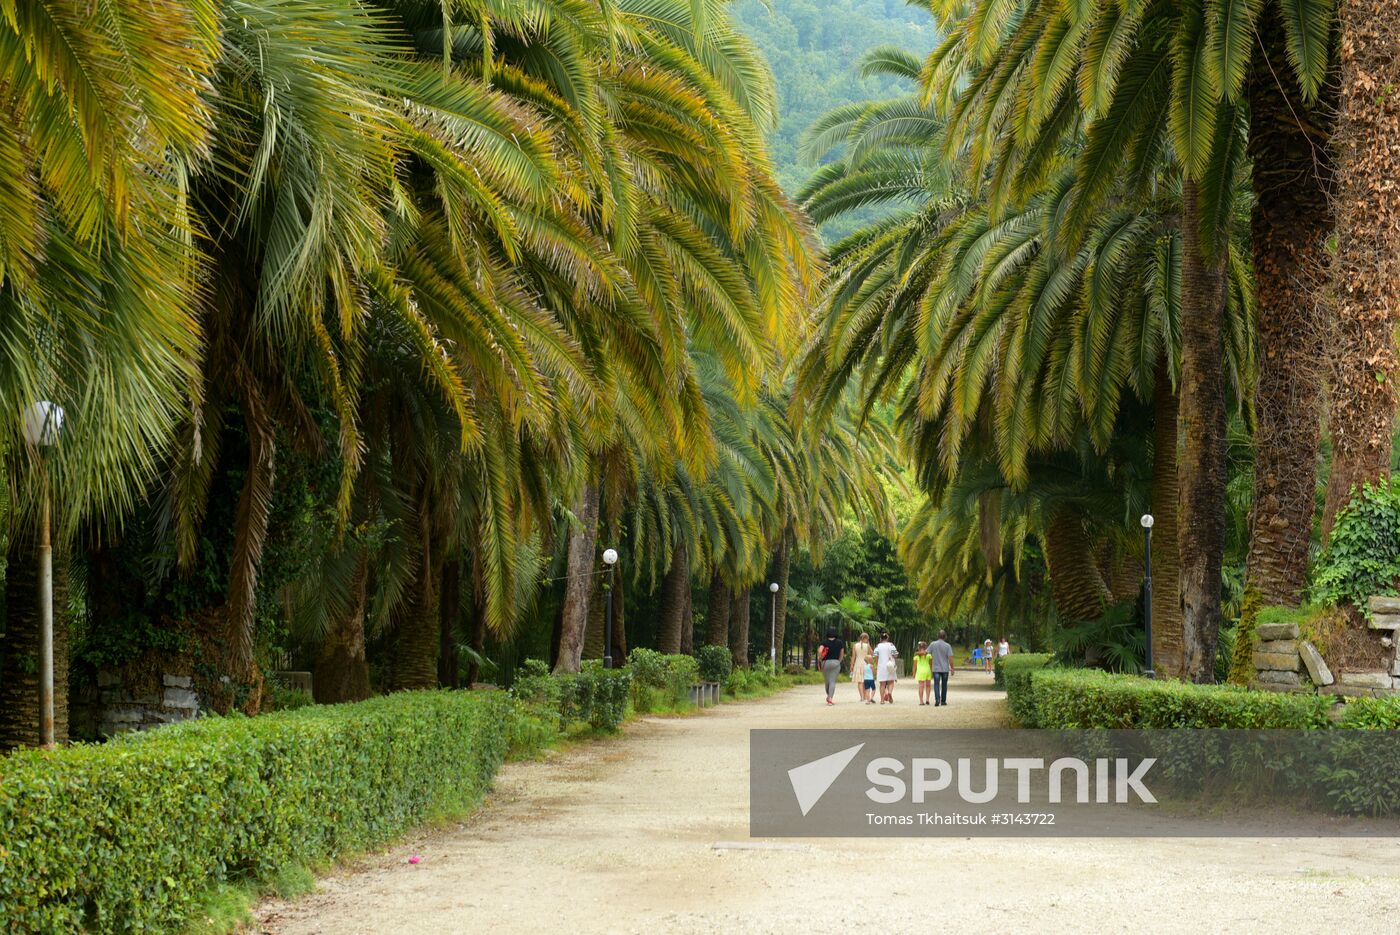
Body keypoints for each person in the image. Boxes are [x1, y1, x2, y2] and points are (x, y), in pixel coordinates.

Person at [818, 628, 846, 705]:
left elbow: (820, 651)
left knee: (827, 681)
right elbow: (842, 654)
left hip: (825, 663)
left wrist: (820, 658)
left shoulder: (824, 642)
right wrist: (839, 661)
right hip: (836, 662)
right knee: (832, 681)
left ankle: (828, 695)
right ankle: (830, 698)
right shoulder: (840, 642)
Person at [929, 630, 954, 706]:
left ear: (938, 636)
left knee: (936, 684)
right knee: (944, 684)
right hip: (945, 669)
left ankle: (937, 700)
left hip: (936, 668)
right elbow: (950, 658)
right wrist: (952, 668)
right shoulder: (948, 646)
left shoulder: (933, 644)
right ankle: (943, 701)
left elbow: (927, 653)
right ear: (945, 637)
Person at [873, 632, 899, 704]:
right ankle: (890, 692)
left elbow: (875, 656)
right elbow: (895, 655)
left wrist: (876, 665)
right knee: (891, 681)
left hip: (881, 666)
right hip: (890, 665)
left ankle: (882, 700)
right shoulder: (891, 645)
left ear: (880, 639)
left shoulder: (878, 646)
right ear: (887, 638)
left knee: (882, 684)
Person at [849, 632, 873, 701]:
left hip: (858, 664)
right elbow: (872, 653)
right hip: (866, 664)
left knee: (860, 681)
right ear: (865, 638)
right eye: (867, 639)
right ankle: (865, 696)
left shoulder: (855, 645)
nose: (868, 640)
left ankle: (862, 697)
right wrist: (869, 645)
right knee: (865, 680)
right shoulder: (867, 646)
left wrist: (851, 665)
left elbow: (853, 657)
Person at [913, 640, 933, 705]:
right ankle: (927, 699)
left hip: (920, 671)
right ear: (926, 647)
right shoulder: (929, 655)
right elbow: (930, 665)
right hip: (927, 671)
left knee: (921, 686)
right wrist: (931, 671)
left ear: (918, 647)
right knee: (928, 686)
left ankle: (921, 701)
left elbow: (914, 666)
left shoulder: (916, 656)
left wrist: (914, 673)